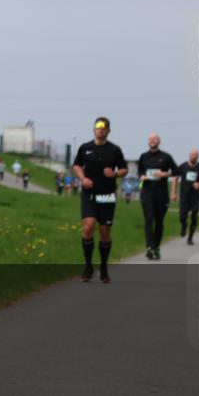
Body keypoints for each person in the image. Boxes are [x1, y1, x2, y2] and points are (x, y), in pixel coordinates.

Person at [71, 117, 128, 283]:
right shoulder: (85, 147)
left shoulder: (114, 150)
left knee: (104, 232)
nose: (100, 129)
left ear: (108, 131)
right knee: (88, 226)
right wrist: (82, 179)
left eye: (104, 127)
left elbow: (124, 169)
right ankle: (88, 266)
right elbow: (76, 166)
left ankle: (103, 267)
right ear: (94, 130)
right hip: (89, 193)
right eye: (98, 127)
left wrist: (116, 174)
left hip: (107, 195)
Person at [137, 133, 178, 260]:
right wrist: (142, 176)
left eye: (155, 139)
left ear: (159, 141)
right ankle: (149, 247)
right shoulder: (143, 156)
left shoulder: (165, 157)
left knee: (159, 222)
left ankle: (156, 247)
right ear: (148, 141)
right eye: (150, 138)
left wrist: (164, 174)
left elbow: (176, 171)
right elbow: (140, 171)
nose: (152, 140)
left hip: (161, 195)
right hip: (147, 193)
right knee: (149, 220)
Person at [174, 149, 199, 245]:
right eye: (192, 154)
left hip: (195, 197)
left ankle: (190, 237)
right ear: (189, 155)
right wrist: (173, 192)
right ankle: (184, 226)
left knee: (194, 216)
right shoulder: (183, 166)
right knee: (182, 216)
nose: (194, 156)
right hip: (184, 196)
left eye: (196, 155)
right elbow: (175, 178)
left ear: (198, 156)